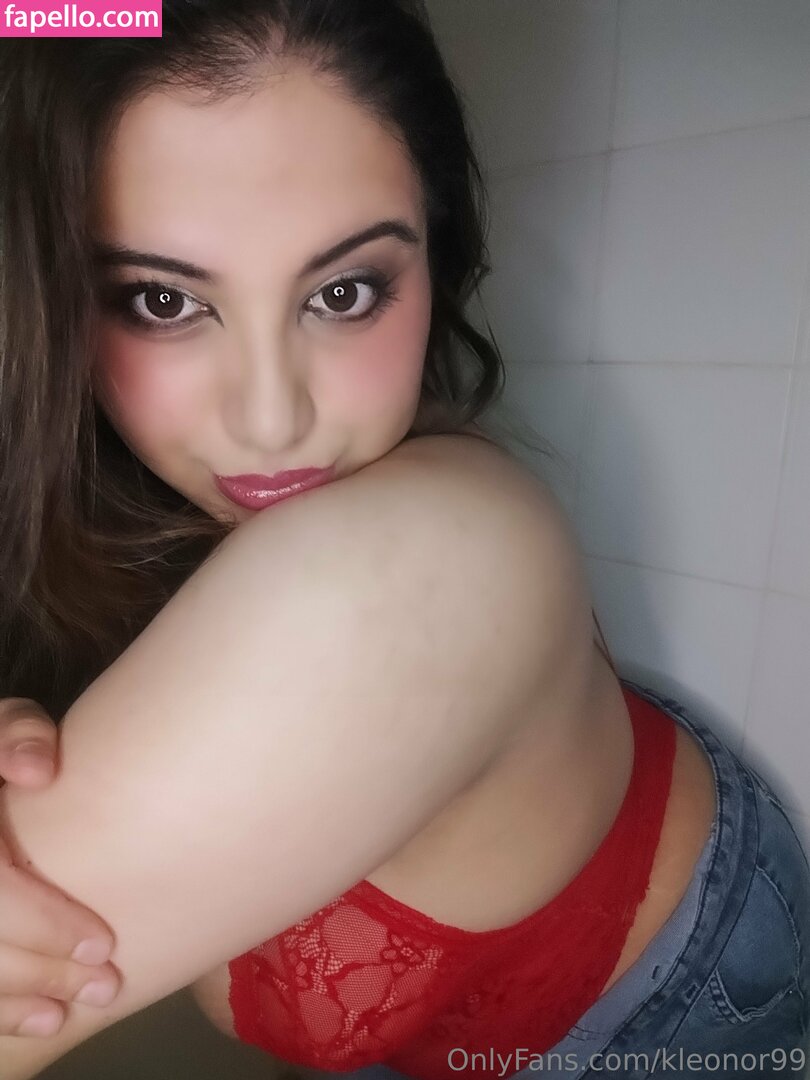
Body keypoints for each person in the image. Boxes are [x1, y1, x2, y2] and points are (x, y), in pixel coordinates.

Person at [0, 3, 808, 1079]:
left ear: (437, 255)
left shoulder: (420, 564)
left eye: (342, 292)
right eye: (162, 300)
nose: (271, 420)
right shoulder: (135, 524)